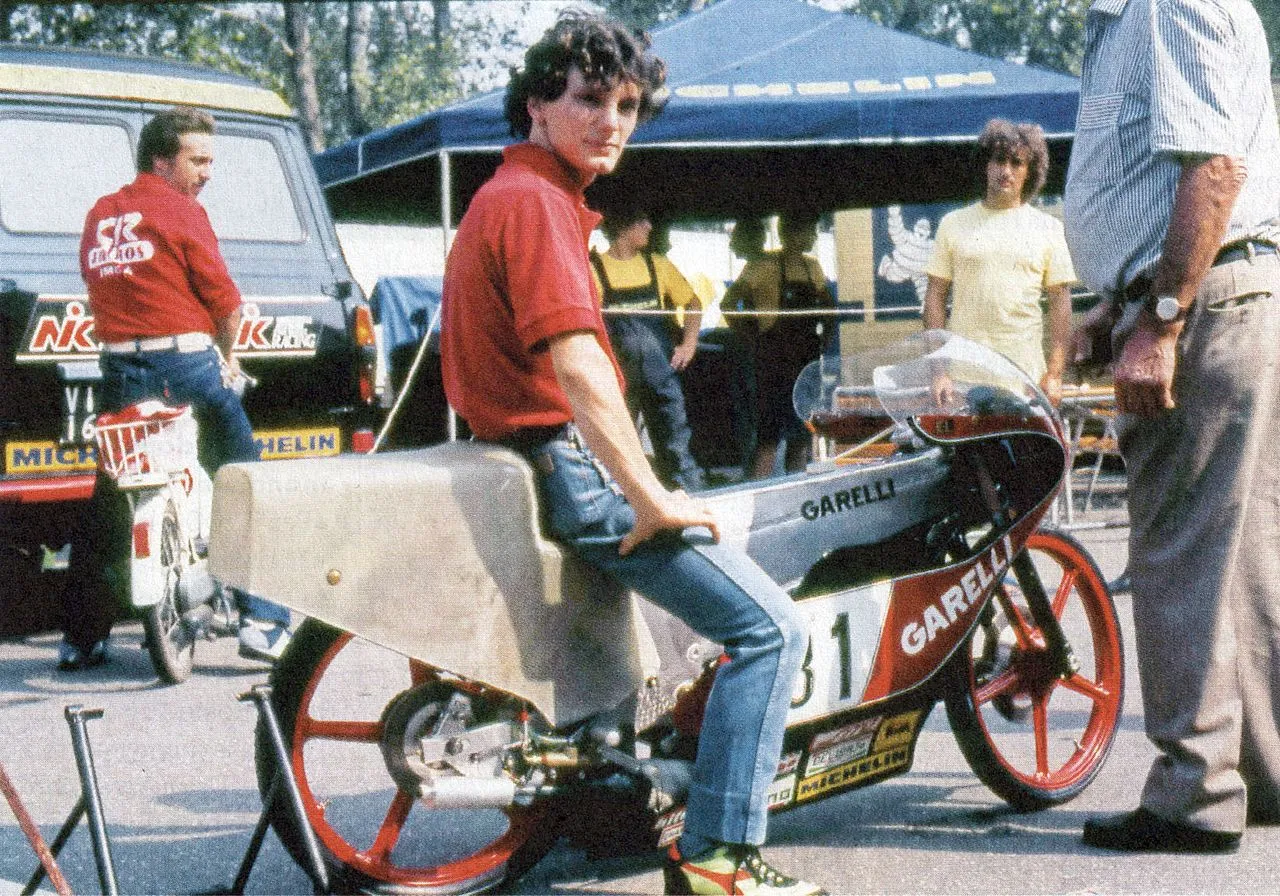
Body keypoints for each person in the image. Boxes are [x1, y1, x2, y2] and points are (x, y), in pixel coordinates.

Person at [439, 13, 822, 895]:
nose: (611, 120)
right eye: (588, 99)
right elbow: (577, 366)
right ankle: (721, 855)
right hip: (566, 467)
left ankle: (644, 774)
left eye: (627, 105)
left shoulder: (509, 196)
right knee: (770, 628)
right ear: (537, 102)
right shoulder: (536, 206)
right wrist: (650, 495)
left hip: (524, 463)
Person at [1064, 0, 1280, 854]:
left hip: (1204, 313)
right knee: (1243, 558)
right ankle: (1258, 770)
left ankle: (1194, 791)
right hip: (1226, 300)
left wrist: (1158, 320)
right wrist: (1120, 303)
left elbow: (1214, 169)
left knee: (1180, 555)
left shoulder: (1163, 4)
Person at [58, 106, 291, 670]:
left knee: (112, 498)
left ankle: (81, 638)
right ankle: (264, 623)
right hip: (186, 369)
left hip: (120, 373)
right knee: (244, 479)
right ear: (163, 160)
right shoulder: (182, 211)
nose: (207, 172)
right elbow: (227, 305)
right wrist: (230, 359)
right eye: (198, 159)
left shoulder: (99, 214)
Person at [923, 119, 1075, 404]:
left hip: (1026, 382)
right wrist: (938, 372)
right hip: (962, 381)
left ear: (1030, 172)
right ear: (986, 165)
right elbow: (934, 297)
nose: (1006, 171)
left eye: (1017, 163)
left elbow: (1060, 303)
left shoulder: (1049, 228)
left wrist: (1055, 374)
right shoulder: (952, 224)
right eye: (999, 160)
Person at [590, 207, 706, 491]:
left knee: (677, 450)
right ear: (622, 227)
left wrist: (689, 343)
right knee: (619, 451)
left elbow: (693, 303)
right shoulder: (593, 269)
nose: (649, 226)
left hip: (662, 376)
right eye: (641, 220)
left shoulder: (658, 264)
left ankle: (690, 506)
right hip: (618, 381)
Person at [726, 212, 835, 478]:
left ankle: (796, 487)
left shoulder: (813, 267)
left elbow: (829, 308)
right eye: (810, 231)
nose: (814, 237)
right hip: (772, 360)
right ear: (793, 233)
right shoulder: (762, 265)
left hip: (805, 359)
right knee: (769, 436)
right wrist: (750, 337)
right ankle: (758, 490)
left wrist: (824, 340)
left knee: (801, 432)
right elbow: (728, 304)